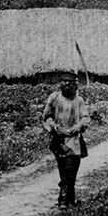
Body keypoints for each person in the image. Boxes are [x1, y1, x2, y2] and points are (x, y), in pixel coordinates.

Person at [42, 70, 89, 208]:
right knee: (64, 171)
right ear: (59, 83)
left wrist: (78, 126)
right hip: (59, 141)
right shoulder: (54, 98)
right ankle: (70, 199)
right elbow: (46, 116)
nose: (67, 84)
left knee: (70, 169)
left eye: (71, 82)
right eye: (65, 81)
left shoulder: (78, 100)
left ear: (75, 84)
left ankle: (63, 200)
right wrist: (53, 126)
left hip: (73, 141)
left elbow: (85, 118)